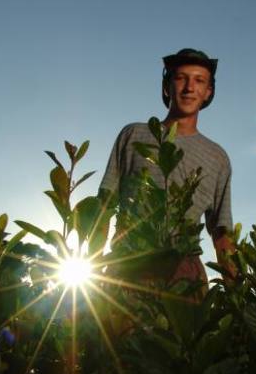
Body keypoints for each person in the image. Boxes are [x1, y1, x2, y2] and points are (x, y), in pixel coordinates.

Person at [99, 48, 235, 291]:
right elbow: (104, 205)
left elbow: (222, 234)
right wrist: (95, 266)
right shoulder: (133, 135)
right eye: (181, 78)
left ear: (208, 92)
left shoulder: (218, 158)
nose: (189, 87)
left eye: (199, 81)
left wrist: (239, 300)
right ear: (167, 87)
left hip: (184, 274)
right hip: (128, 266)